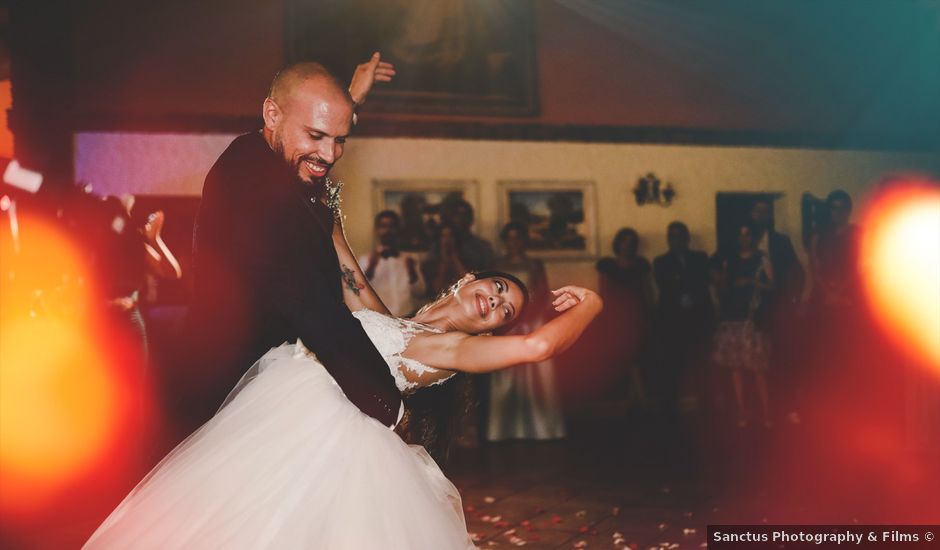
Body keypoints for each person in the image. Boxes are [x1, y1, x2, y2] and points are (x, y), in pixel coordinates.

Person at [83, 205, 603, 548]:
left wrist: (592, 303)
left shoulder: (457, 350)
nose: (493, 302)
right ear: (469, 280)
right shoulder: (397, 321)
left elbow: (540, 345)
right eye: (494, 288)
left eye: (503, 311)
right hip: (280, 405)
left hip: (321, 430)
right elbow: (351, 279)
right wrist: (327, 212)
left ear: (494, 332)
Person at [177, 55, 402, 429]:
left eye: (340, 139)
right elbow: (318, 311)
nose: (330, 155)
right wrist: (391, 406)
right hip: (231, 400)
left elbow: (311, 117)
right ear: (271, 115)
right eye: (316, 136)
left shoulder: (262, 156)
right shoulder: (254, 185)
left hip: (265, 393)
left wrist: (350, 98)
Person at [487, 222, 566, 440]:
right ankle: (502, 431)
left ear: (524, 240)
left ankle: (542, 429)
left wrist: (531, 315)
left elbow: (543, 292)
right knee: (506, 377)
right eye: (510, 238)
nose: (514, 242)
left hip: (532, 321)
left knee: (536, 375)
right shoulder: (497, 263)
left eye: (518, 238)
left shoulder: (534, 263)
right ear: (505, 241)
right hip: (506, 323)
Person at [711, 222, 774, 428]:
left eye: (747, 235)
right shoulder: (730, 260)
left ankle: (766, 413)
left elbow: (772, 285)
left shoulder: (761, 259)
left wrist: (750, 283)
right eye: (741, 235)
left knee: (758, 368)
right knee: (735, 367)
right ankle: (742, 412)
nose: (744, 239)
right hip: (732, 317)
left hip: (752, 318)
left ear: (754, 238)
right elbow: (721, 287)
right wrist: (720, 280)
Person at [652, 222, 714, 422]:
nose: (675, 240)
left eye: (679, 236)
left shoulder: (700, 257)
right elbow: (665, 284)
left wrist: (688, 290)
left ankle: (705, 405)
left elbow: (704, 280)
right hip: (672, 320)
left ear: (687, 238)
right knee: (672, 365)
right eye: (672, 236)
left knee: (701, 363)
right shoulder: (660, 261)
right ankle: (669, 408)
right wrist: (683, 290)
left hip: (698, 318)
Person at [595, 227, 654, 404]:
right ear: (618, 243)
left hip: (637, 316)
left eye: (631, 243)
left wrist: (650, 314)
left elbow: (647, 290)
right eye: (624, 242)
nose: (628, 246)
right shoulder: (608, 265)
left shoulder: (641, 265)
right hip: (616, 318)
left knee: (636, 357)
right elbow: (603, 292)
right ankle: (637, 399)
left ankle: (637, 399)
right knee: (625, 358)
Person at [358, 210, 425, 317]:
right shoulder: (365, 261)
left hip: (408, 318)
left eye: (392, 226)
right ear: (377, 230)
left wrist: (412, 271)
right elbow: (359, 293)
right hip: (381, 320)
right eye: (383, 226)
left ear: (398, 230)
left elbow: (420, 292)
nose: (388, 230)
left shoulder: (409, 260)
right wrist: (371, 268)